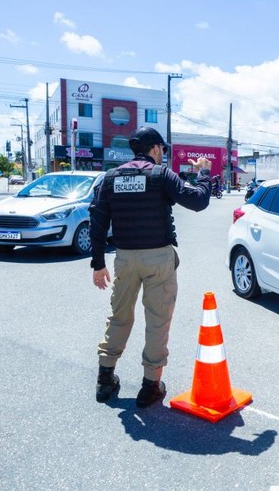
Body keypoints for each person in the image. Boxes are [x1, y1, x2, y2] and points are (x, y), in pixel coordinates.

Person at [89, 126, 212, 408]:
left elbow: (97, 219)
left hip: (124, 259)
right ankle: (150, 386)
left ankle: (105, 379)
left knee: (119, 316)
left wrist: (98, 264)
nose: (163, 154)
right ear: (155, 148)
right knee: (157, 320)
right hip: (158, 258)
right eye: (163, 150)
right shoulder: (160, 175)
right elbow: (198, 201)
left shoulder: (111, 178)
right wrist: (204, 173)